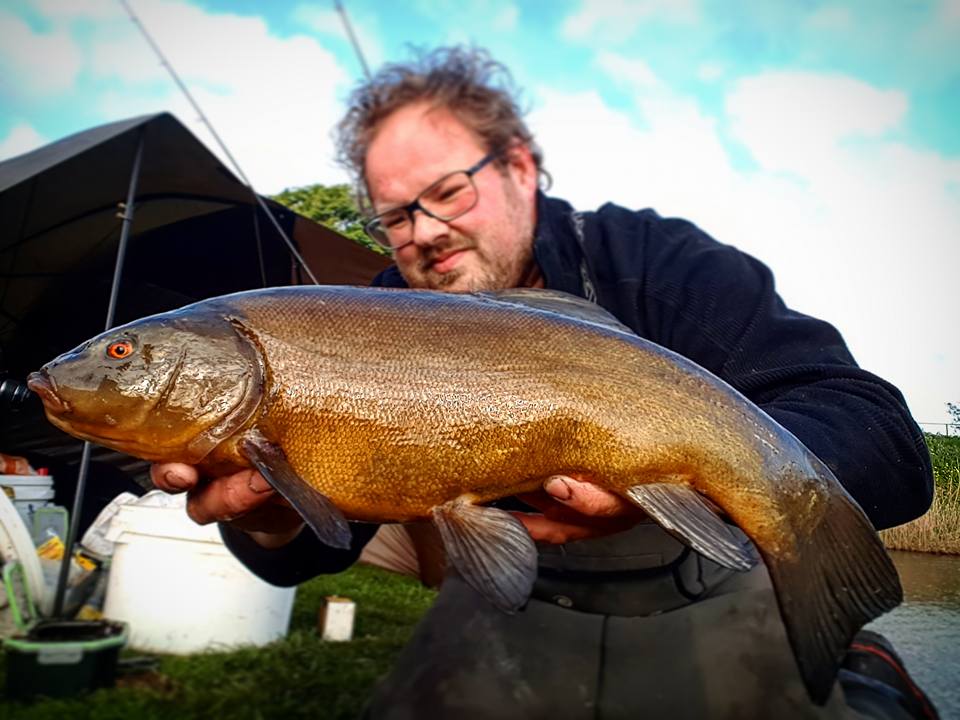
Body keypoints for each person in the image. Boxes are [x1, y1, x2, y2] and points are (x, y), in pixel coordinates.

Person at [151, 47, 936, 719]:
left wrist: (734, 475)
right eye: (394, 216)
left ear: (521, 167)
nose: (423, 232)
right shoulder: (372, 312)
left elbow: (881, 436)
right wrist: (264, 513)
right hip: (509, 597)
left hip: (710, 585)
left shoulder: (653, 261)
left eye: (448, 193)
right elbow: (303, 555)